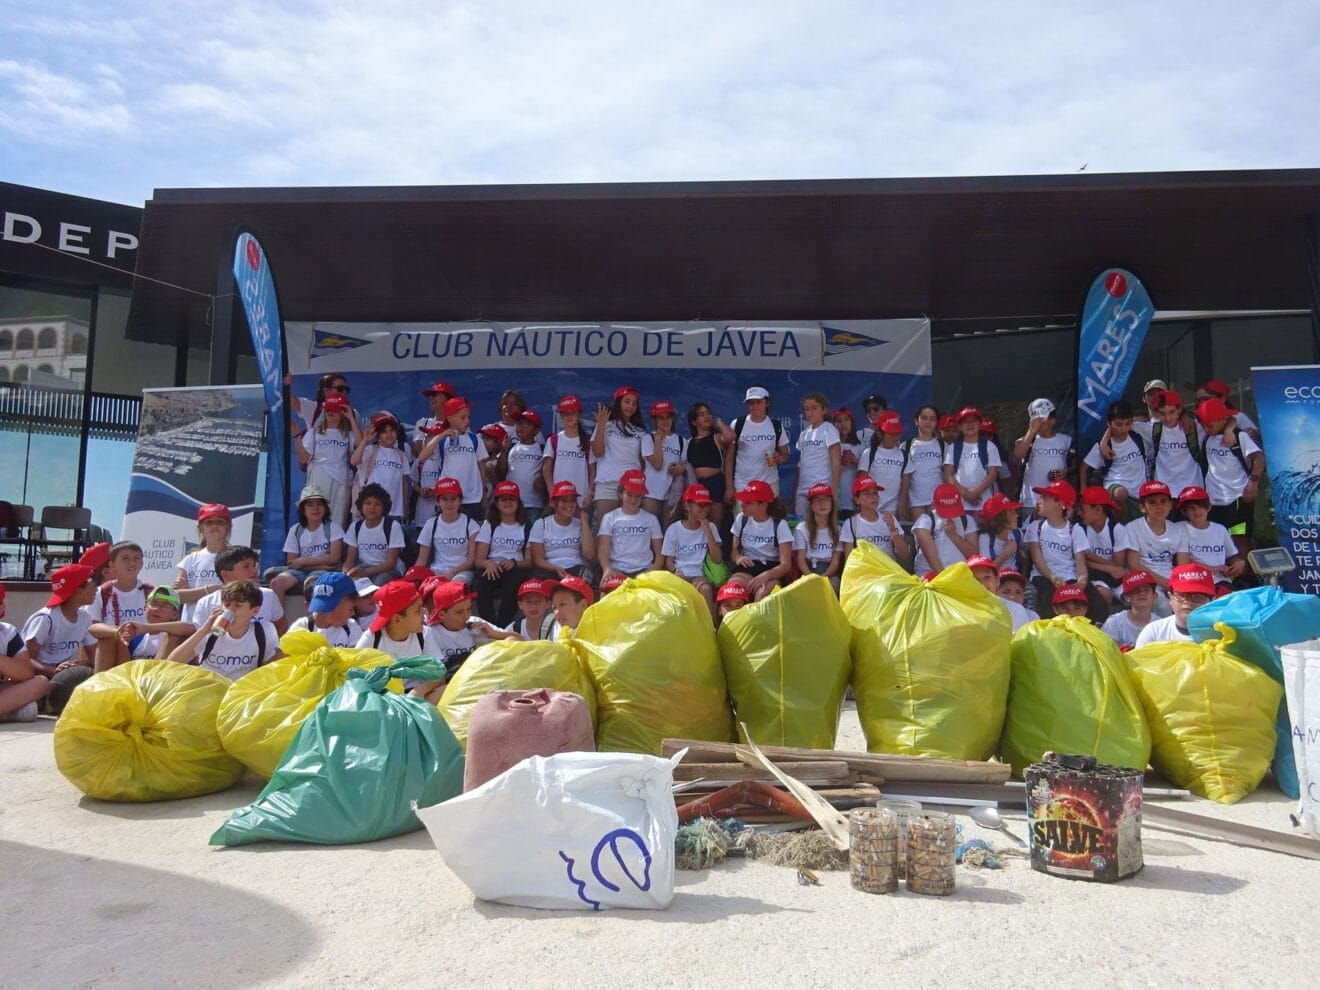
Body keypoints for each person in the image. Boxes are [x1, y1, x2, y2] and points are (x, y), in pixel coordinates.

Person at [419, 579, 522, 702]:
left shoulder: (476, 623)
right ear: (441, 615)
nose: (466, 616)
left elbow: (519, 641)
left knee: (509, 641)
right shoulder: (431, 632)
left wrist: (494, 634)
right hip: (452, 685)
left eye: (469, 609)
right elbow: (436, 675)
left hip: (480, 680)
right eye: (459, 612)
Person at [168, 580, 281, 681]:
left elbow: (266, 667)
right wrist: (203, 630)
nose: (230, 610)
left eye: (238, 605)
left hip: (241, 693)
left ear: (255, 611)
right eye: (226, 605)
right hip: (209, 691)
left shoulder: (265, 630)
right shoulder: (211, 631)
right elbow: (172, 662)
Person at [22, 563, 97, 714]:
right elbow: (24, 661)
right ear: (78, 591)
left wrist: (78, 665)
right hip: (40, 676)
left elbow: (94, 657)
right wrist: (53, 671)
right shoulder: (45, 619)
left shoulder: (85, 618)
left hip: (62, 675)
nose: (96, 590)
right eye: (93, 586)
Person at [1197, 396, 1265, 562]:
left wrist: (1253, 482)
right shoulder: (1206, 437)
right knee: (1217, 540)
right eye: (1204, 425)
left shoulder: (1239, 436)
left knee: (1239, 540)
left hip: (1237, 499)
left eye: (1210, 425)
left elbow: (1259, 458)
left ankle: (1244, 578)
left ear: (1223, 420)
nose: (1206, 429)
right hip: (1214, 501)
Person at [1024, 479, 1091, 619]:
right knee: (1048, 599)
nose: (1039, 501)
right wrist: (1053, 578)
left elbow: (1080, 561)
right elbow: (1037, 560)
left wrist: (1082, 582)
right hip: (1043, 577)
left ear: (1060, 504)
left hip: (1070, 577)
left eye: (1044, 498)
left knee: (1093, 599)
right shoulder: (1035, 527)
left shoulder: (1075, 530)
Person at [264, 484, 344, 600]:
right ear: (303, 510)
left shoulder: (334, 527)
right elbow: (292, 563)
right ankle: (277, 617)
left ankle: (311, 618)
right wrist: (320, 563)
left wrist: (304, 561)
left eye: (320, 504)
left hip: (323, 571)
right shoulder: (295, 530)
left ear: (326, 508)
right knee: (276, 583)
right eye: (310, 505)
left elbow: (334, 559)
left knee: (312, 585)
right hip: (303, 571)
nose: (315, 508)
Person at [474, 480, 535, 628]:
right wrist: (488, 563)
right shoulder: (490, 524)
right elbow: (478, 560)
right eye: (503, 499)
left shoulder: (526, 526)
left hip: (515, 567)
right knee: (480, 583)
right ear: (497, 503)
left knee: (513, 586)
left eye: (512, 499)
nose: (508, 502)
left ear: (518, 502)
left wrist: (514, 563)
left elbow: (529, 561)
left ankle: (502, 627)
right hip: (492, 565)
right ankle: (488, 625)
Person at [84, 541, 152, 671]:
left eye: (137, 558)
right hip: (112, 650)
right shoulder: (101, 593)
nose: (132, 563)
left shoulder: (150, 592)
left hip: (144, 650)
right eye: (125, 558)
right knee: (108, 639)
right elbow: (92, 628)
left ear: (142, 564)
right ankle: (102, 686)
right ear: (112, 565)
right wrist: (119, 631)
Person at [193, 546, 288, 636]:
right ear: (225, 575)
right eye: (246, 566)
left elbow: (281, 627)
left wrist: (266, 650)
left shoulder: (268, 595)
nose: (254, 571)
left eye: (254, 565)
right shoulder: (206, 603)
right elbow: (200, 638)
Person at [720, 386, 789, 508]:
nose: (754, 406)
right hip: (743, 484)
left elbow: (785, 455)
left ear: (767, 403)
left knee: (769, 522)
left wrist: (780, 459)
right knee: (742, 522)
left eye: (759, 402)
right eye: (751, 402)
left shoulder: (776, 426)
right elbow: (729, 458)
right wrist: (729, 487)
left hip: (769, 483)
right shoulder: (738, 424)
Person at [418, 397, 485, 522]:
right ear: (450, 419)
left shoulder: (475, 439)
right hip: (448, 497)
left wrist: (484, 494)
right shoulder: (443, 440)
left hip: (473, 498)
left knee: (473, 535)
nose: (468, 421)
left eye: (468, 417)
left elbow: (482, 467)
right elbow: (422, 457)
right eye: (463, 417)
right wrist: (441, 435)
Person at [592, 385, 653, 522]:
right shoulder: (605, 424)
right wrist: (601, 424)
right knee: (603, 533)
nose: (630, 406)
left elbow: (644, 462)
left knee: (628, 533)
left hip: (631, 487)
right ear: (618, 402)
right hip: (607, 484)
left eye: (634, 403)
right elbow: (597, 452)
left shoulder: (640, 432)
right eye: (627, 401)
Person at [1079, 400, 1147, 522]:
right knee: (1121, 493)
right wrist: (1083, 488)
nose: (1124, 428)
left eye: (1127, 424)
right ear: (1109, 424)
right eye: (1119, 424)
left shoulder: (1138, 435)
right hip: (1115, 485)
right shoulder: (1105, 445)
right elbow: (1084, 467)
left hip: (1139, 490)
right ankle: (1120, 525)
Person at [300, 391, 360, 527]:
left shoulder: (349, 434)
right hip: (319, 477)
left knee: (337, 521)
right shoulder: (314, 432)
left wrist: (351, 418)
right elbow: (304, 458)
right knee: (316, 518)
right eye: (328, 409)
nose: (330, 413)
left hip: (341, 479)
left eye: (335, 410)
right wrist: (297, 437)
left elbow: (362, 443)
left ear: (343, 412)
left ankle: (335, 548)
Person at [662, 483, 723, 615]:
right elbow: (668, 561)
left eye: (707, 505)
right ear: (688, 506)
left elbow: (717, 559)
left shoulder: (711, 527)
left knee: (705, 589)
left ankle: (711, 631)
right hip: (681, 574)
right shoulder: (674, 529)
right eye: (700, 505)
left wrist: (707, 530)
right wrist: (676, 571)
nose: (705, 509)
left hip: (702, 575)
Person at [1124, 480, 1190, 600]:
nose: (1159, 506)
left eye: (1163, 501)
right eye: (1152, 502)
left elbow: (1183, 565)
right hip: (1143, 578)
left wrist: (1180, 585)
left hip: (1171, 578)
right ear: (1142, 507)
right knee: (1162, 605)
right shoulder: (1132, 527)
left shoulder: (1179, 530)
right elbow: (1133, 564)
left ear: (1170, 505)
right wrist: (1166, 583)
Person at [1133, 390, 1205, 501]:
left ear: (1179, 410)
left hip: (1193, 491)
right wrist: (1104, 442)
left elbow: (1225, 419)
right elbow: (1122, 424)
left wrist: (1230, 428)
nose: (1168, 418)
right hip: (1164, 493)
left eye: (1171, 412)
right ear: (1156, 413)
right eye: (1162, 413)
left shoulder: (1194, 428)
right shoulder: (1153, 429)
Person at [728, 479, 793, 602]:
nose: (742, 505)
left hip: (771, 569)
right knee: (733, 590)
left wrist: (765, 576)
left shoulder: (779, 524)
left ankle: (759, 622)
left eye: (748, 502)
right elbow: (734, 553)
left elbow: (786, 565)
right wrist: (738, 558)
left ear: (763, 505)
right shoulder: (741, 519)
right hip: (746, 567)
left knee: (763, 594)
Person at [598, 469, 663, 584]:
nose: (633, 499)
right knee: (607, 594)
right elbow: (603, 550)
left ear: (643, 496)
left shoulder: (651, 519)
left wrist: (650, 571)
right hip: (617, 570)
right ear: (620, 494)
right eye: (629, 494)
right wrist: (607, 569)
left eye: (638, 496)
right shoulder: (609, 518)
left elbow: (660, 555)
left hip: (644, 570)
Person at [1013, 398, 1072, 521]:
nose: (1038, 424)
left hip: (1058, 499)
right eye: (1035, 420)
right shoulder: (1027, 440)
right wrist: (1031, 431)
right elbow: (1018, 455)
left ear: (1052, 420)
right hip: (1032, 499)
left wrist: (1066, 471)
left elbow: (1075, 465)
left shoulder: (1065, 440)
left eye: (1042, 420)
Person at [530, 481, 597, 585]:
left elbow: (589, 555)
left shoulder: (580, 524)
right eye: (564, 501)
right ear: (553, 503)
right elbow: (538, 560)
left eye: (572, 501)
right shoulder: (541, 524)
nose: (569, 505)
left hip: (576, 566)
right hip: (550, 567)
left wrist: (584, 521)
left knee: (584, 583)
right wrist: (555, 568)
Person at [1178, 485, 1244, 589]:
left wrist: (1239, 564)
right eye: (1191, 508)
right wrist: (1214, 568)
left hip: (1221, 580)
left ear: (1208, 507)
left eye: (1201, 506)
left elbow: (1232, 556)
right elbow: (1180, 561)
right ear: (1183, 512)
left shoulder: (1220, 529)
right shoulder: (1179, 528)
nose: (1197, 511)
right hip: (1193, 578)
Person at [415, 477, 480, 584]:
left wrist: (454, 571)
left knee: (454, 588)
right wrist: (415, 577)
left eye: (453, 499)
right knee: (424, 587)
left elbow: (471, 560)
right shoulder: (431, 524)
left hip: (462, 571)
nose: (449, 503)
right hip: (437, 570)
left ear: (461, 501)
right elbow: (422, 559)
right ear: (437, 501)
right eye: (444, 499)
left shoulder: (471, 524)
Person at [175, 503, 232, 623]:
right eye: (209, 522)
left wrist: (192, 592)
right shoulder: (189, 560)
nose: (214, 525)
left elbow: (242, 592)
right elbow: (177, 597)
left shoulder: (237, 557)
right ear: (201, 528)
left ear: (228, 527)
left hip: (225, 626)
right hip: (192, 627)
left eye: (220, 522)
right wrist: (209, 589)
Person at [351, 412, 412, 523]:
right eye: (384, 432)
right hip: (369, 509)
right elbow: (354, 461)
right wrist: (365, 440)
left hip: (393, 510)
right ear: (378, 435)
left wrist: (405, 507)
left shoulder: (401, 455)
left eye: (392, 430)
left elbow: (405, 484)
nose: (389, 434)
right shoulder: (370, 450)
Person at [1134, 564, 1216, 647]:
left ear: (1212, 601)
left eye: (1197, 597)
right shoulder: (1154, 632)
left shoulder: (1222, 635)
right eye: (1181, 595)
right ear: (1170, 597)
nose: (1187, 602)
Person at [1078, 486, 1131, 611]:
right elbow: (1080, 561)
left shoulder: (1117, 529)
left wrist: (1112, 568)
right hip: (1095, 577)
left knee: (1133, 597)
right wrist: (1109, 567)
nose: (1079, 513)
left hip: (1116, 579)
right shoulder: (1080, 529)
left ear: (1097, 509)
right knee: (1104, 594)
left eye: (1082, 509)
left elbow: (1119, 564)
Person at [343, 483, 406, 586]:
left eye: (377, 504)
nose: (372, 507)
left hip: (388, 571)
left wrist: (366, 573)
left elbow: (391, 563)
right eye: (368, 503)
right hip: (363, 570)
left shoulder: (392, 526)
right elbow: (350, 560)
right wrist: (346, 572)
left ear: (384, 507)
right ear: (361, 506)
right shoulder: (355, 527)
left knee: (378, 584)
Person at [942, 406, 1001, 515]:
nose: (970, 425)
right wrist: (965, 493)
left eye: (974, 421)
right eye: (965, 422)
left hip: (985, 504)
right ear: (959, 426)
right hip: (959, 504)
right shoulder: (953, 448)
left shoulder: (990, 446)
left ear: (979, 424)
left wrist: (975, 492)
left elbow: (992, 474)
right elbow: (948, 474)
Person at [542, 395, 596, 514]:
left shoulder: (588, 442)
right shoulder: (553, 440)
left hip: (581, 501)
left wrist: (590, 494)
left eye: (573, 412)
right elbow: (546, 469)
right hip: (559, 500)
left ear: (579, 414)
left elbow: (593, 471)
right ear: (560, 416)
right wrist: (551, 492)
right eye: (566, 413)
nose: (570, 416)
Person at [840, 475, 909, 566]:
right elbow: (849, 561)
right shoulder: (850, 524)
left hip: (888, 572)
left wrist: (894, 531)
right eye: (867, 494)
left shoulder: (889, 519)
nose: (874, 497)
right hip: (865, 573)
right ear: (857, 500)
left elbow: (904, 555)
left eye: (875, 493)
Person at [792, 391, 841, 517]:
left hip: (822, 490)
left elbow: (836, 463)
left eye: (814, 408)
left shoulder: (829, 429)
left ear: (824, 410)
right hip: (803, 491)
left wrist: (834, 492)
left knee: (821, 528)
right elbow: (801, 465)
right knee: (802, 528)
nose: (810, 412)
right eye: (807, 409)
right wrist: (795, 492)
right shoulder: (804, 434)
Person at [912, 483, 978, 575]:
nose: (950, 514)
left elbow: (973, 555)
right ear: (933, 505)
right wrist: (946, 582)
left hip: (961, 574)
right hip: (931, 575)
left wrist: (953, 535)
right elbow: (931, 558)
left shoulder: (967, 520)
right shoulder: (924, 521)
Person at [0, 584, 44, 721]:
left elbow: (25, 673)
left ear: (1, 607)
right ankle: (8, 711)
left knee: (41, 682)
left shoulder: (7, 632)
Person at [286, 573, 364, 647]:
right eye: (350, 609)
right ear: (333, 607)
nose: (353, 613)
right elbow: (282, 658)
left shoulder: (351, 626)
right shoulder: (301, 626)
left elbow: (359, 658)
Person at [685, 402, 730, 528]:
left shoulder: (717, 437)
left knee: (715, 527)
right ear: (694, 422)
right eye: (701, 414)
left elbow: (730, 436)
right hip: (697, 486)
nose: (706, 416)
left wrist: (719, 423)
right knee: (698, 525)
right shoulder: (689, 442)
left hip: (715, 484)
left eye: (708, 413)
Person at [643, 400, 688, 521]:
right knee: (649, 530)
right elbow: (657, 465)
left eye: (668, 417)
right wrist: (658, 441)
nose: (665, 421)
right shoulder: (648, 438)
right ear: (654, 420)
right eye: (660, 418)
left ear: (673, 418)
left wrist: (682, 468)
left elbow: (684, 466)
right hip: (650, 492)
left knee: (669, 530)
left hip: (672, 494)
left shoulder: (682, 441)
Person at [898, 405, 943, 523]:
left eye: (932, 419)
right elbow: (904, 477)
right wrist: (903, 503)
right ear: (916, 421)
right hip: (915, 501)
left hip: (938, 500)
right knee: (920, 536)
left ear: (937, 422)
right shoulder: (905, 446)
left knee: (938, 536)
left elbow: (948, 474)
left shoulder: (944, 446)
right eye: (924, 418)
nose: (928, 422)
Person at [793, 482, 843, 589]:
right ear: (811, 505)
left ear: (832, 504)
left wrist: (823, 578)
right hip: (808, 569)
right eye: (817, 500)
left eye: (826, 500)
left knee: (834, 585)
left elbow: (835, 562)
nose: (822, 504)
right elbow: (800, 560)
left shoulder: (838, 530)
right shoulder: (801, 528)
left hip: (829, 571)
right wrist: (811, 577)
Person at [858, 410, 906, 518]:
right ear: (880, 434)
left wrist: (902, 505)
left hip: (893, 510)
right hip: (871, 508)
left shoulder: (904, 455)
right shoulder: (869, 453)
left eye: (897, 433)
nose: (894, 437)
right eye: (890, 433)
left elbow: (905, 483)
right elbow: (861, 481)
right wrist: (864, 505)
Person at [504, 410, 548, 520]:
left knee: (533, 536)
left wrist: (542, 479)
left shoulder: (543, 449)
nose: (520, 427)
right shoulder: (510, 448)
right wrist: (503, 451)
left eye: (526, 424)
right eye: (519, 423)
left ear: (536, 430)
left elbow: (549, 470)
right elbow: (501, 472)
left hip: (534, 504)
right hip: (513, 503)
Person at [1100, 571, 1158, 649]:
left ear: (1155, 596)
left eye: (1146, 590)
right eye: (1136, 590)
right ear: (1127, 597)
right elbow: (1108, 653)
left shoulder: (1160, 624)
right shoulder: (1114, 623)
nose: (1141, 593)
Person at [977, 493, 1024, 572]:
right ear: (999, 519)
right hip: (996, 580)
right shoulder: (985, 538)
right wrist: (1006, 553)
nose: (1017, 516)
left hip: (1015, 576)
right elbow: (987, 571)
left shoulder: (1017, 533)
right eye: (1012, 513)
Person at [832, 407, 863, 521]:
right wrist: (840, 462)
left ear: (852, 423)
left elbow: (866, 472)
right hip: (834, 499)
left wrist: (855, 461)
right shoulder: (831, 446)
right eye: (838, 421)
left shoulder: (860, 446)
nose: (843, 424)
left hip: (852, 500)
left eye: (846, 420)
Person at [412, 380, 455, 457]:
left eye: (435, 394)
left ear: (448, 399)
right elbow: (416, 448)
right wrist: (433, 462)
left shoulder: (458, 424)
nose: (431, 398)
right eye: (429, 396)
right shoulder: (423, 423)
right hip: (430, 468)